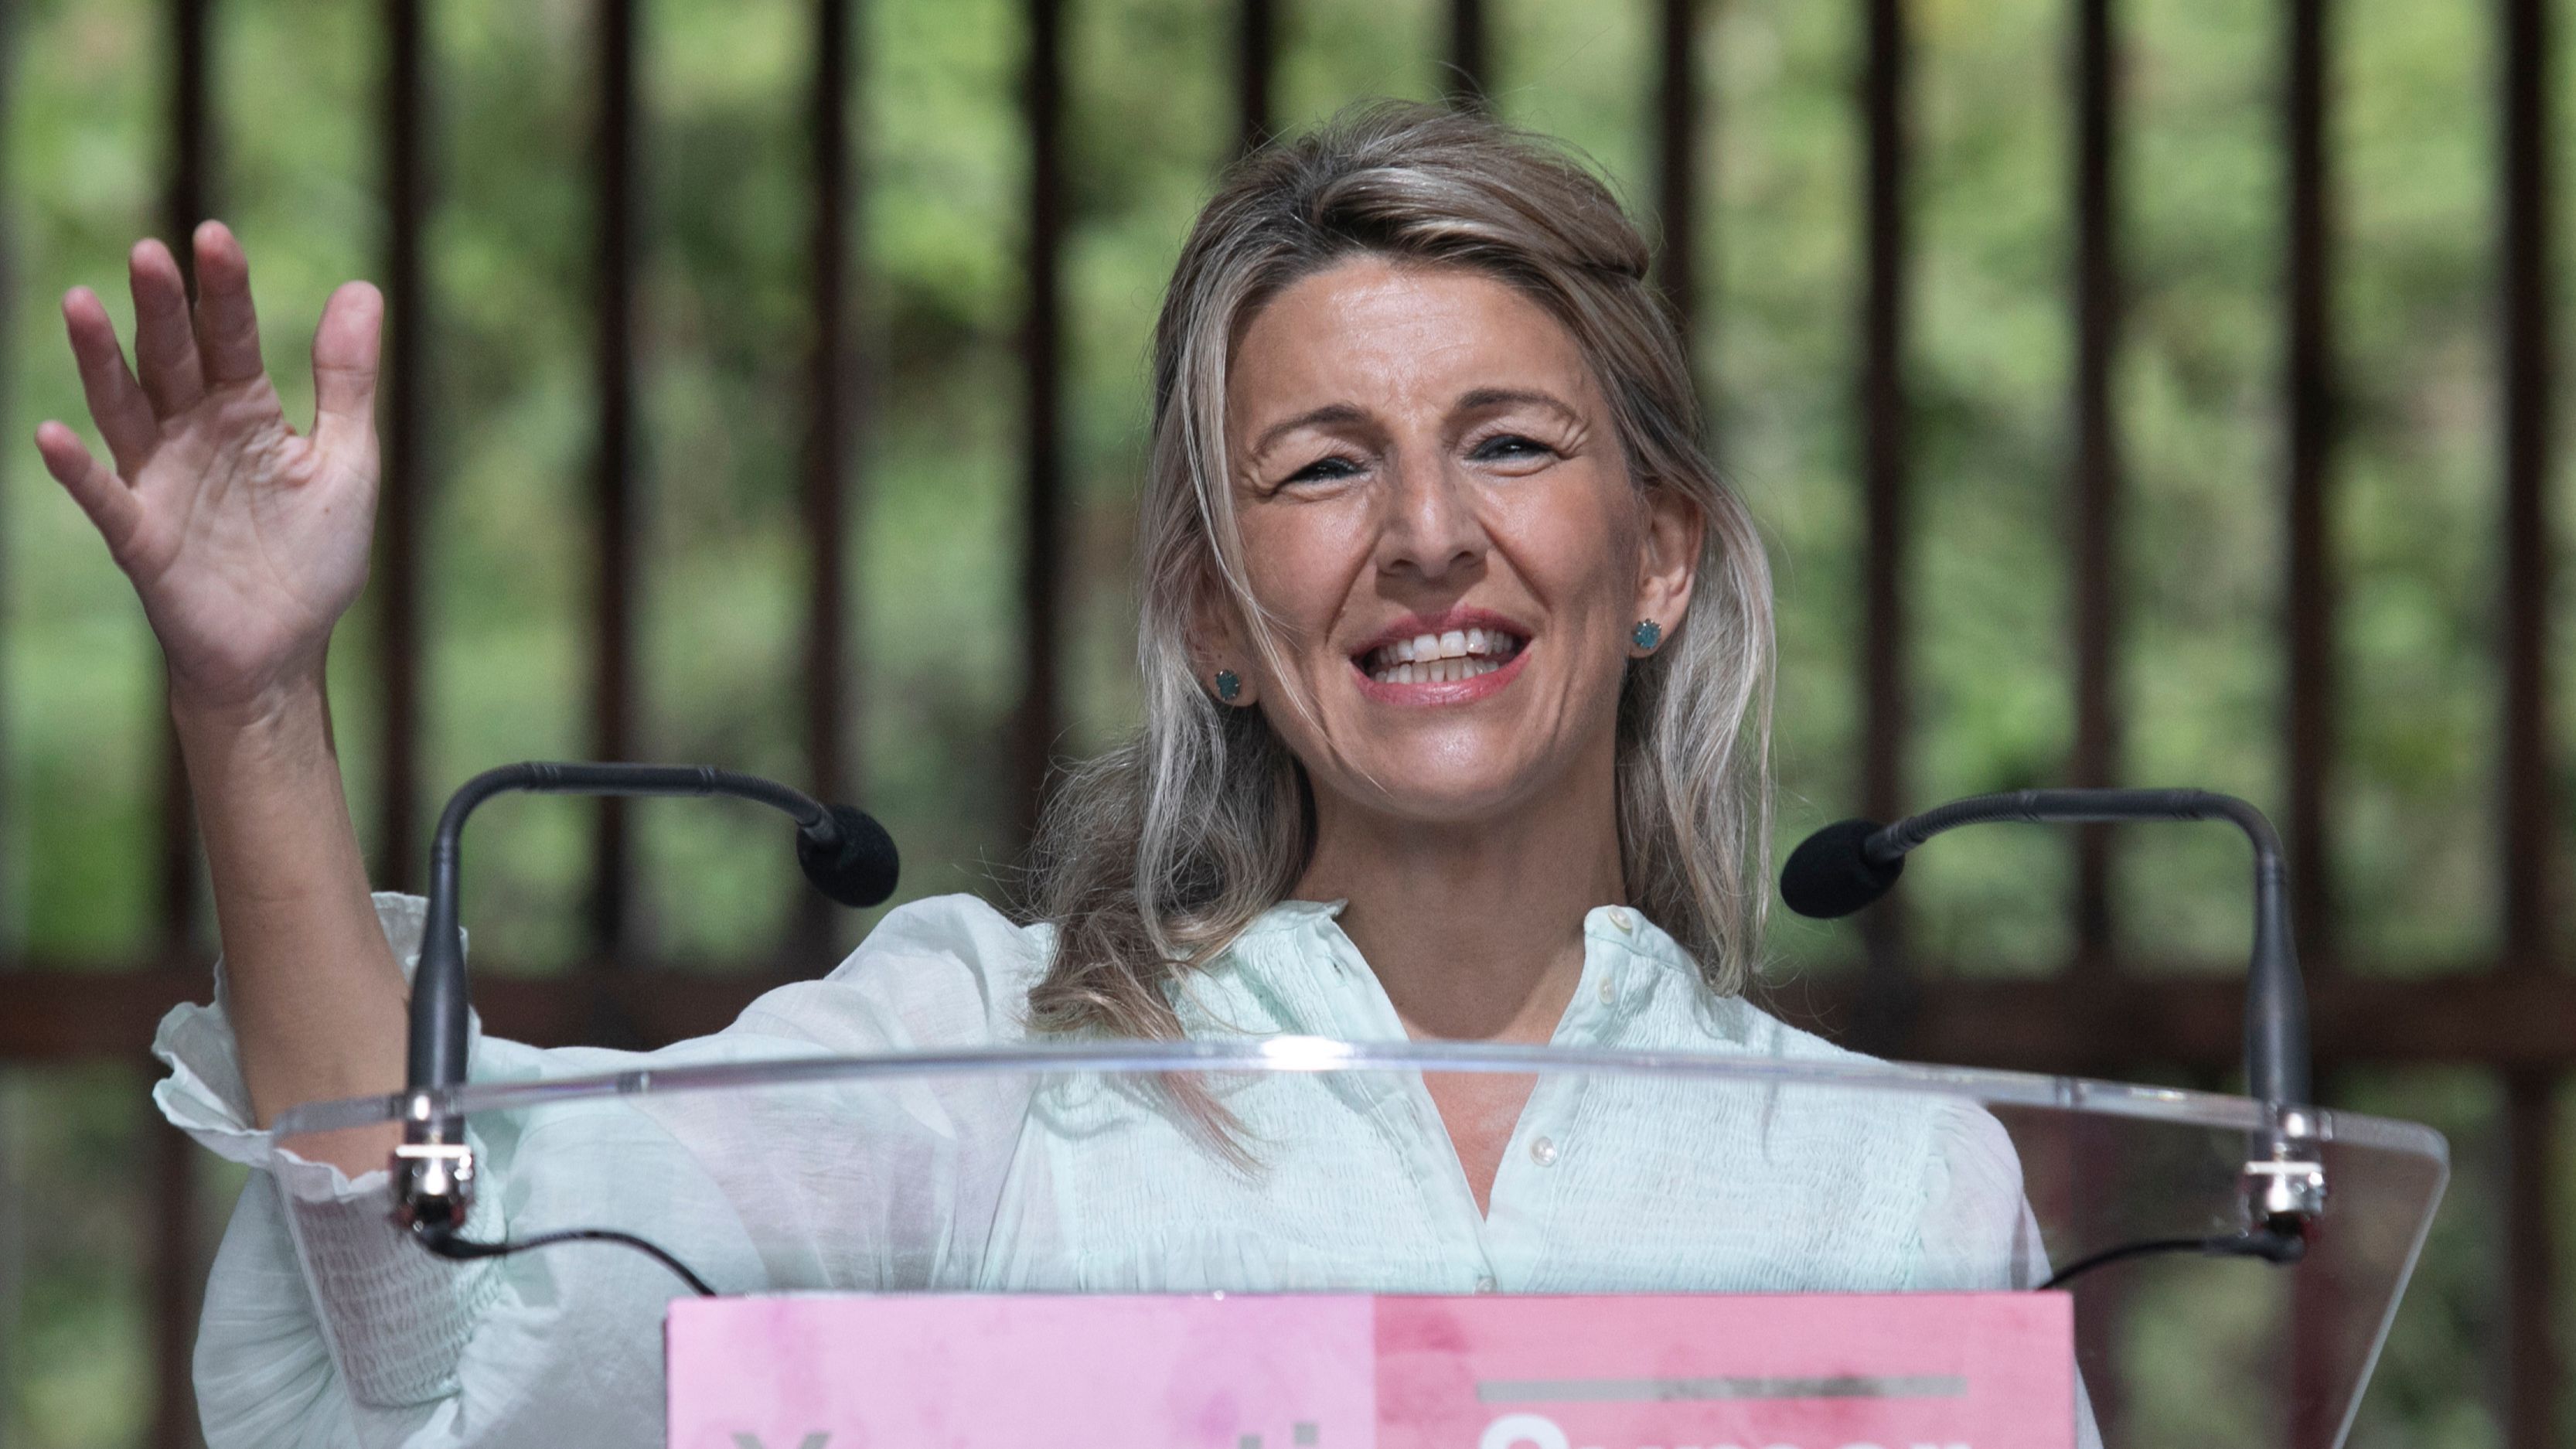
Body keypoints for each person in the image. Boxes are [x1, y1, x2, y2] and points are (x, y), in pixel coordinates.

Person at [43, 104, 2043, 1447]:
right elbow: (447, 1326)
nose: (1426, 533)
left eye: (1510, 444)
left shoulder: (1895, 1185)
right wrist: (257, 705)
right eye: (1323, 465)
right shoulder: (992, 1074)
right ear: (1202, 607)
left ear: (1661, 556)